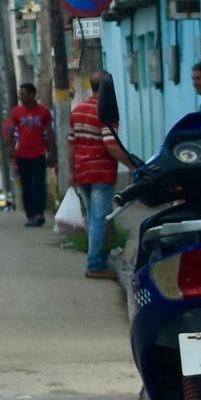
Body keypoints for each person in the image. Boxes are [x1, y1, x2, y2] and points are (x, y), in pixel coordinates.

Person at [71, 71, 130, 280]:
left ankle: (100, 260)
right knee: (99, 219)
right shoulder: (106, 111)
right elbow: (111, 145)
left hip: (82, 171)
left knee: (92, 219)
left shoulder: (77, 110)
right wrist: (132, 165)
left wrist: (72, 172)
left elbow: (72, 144)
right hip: (101, 171)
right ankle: (95, 265)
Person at [2, 82, 55, 227]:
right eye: (20, 93)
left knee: (38, 184)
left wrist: (50, 152)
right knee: (26, 186)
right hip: (22, 155)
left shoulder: (43, 111)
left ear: (32, 94)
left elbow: (49, 132)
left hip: (38, 154)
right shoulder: (17, 112)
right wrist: (11, 147)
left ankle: (39, 213)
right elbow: (10, 130)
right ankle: (30, 214)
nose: (21, 96)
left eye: (23, 93)